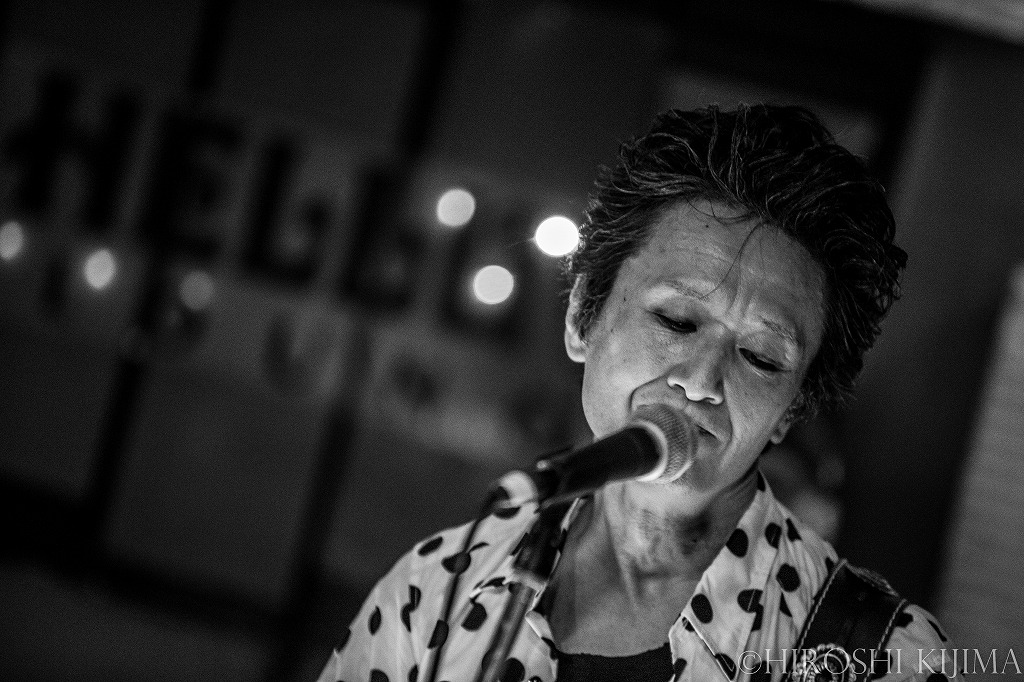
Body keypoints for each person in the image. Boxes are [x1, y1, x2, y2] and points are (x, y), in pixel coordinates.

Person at [318, 105, 962, 682]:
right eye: (676, 320)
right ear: (583, 317)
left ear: (790, 410)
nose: (701, 380)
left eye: (761, 358)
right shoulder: (437, 590)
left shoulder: (878, 657)